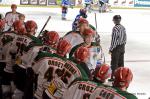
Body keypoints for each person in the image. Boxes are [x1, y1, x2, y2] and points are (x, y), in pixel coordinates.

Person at [109, 15, 127, 81]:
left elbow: (114, 41)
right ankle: (121, 76)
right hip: (122, 47)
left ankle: (114, 77)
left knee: (114, 63)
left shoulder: (115, 28)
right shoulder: (123, 27)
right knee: (121, 63)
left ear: (115, 20)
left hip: (116, 48)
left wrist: (111, 49)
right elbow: (125, 38)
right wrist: (123, 46)